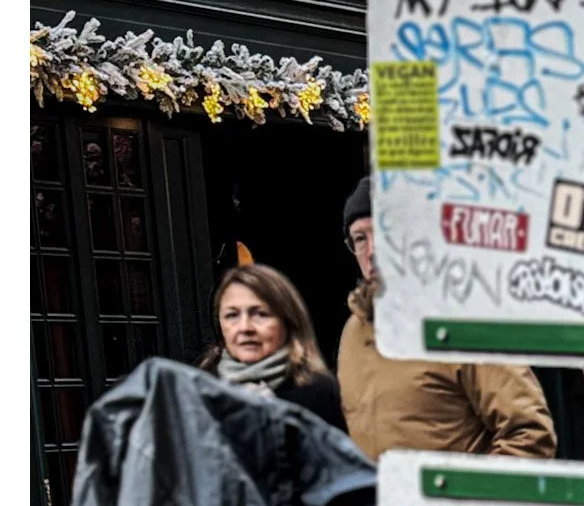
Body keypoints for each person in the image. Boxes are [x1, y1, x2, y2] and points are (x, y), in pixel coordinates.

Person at [337, 179, 557, 461]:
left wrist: (460, 502)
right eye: (360, 238)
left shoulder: (463, 319)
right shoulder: (353, 332)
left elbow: (530, 436)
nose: (373, 251)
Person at [200, 265, 346, 429]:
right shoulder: (201, 389)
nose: (245, 327)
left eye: (260, 314)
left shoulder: (318, 391)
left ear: (288, 321)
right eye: (232, 315)